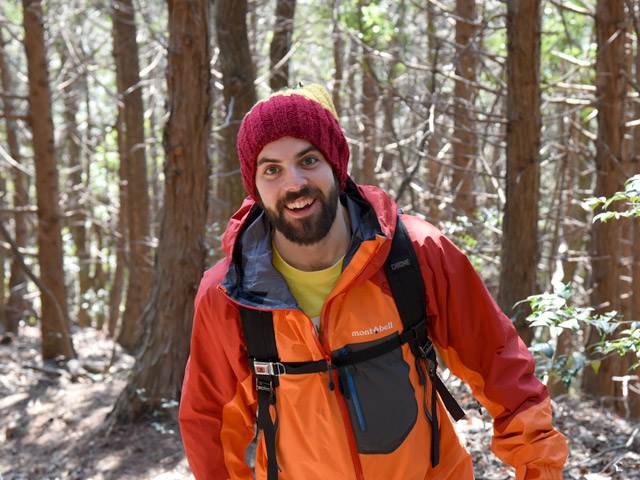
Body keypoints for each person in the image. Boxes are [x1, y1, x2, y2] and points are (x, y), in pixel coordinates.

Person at [178, 84, 568, 480]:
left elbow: (502, 369)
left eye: (308, 160)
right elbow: (210, 424)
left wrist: (541, 469)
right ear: (255, 186)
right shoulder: (229, 293)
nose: (294, 184)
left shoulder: (414, 253)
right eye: (272, 169)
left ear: (336, 165)